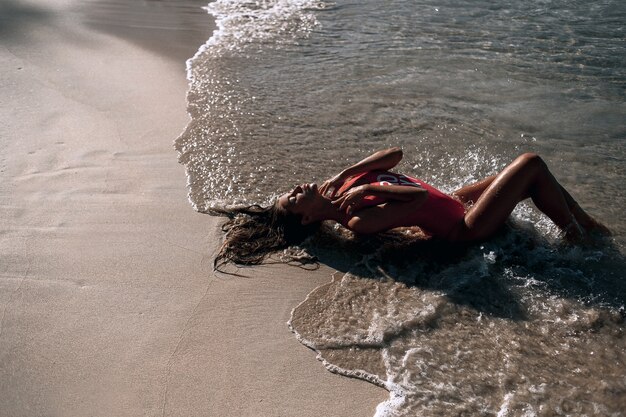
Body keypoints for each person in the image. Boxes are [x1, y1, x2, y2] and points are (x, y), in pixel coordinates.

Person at [214, 147, 609, 269]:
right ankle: (580, 238)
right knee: (531, 166)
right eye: (295, 197)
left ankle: (586, 227)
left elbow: (395, 154)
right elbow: (417, 199)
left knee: (533, 175)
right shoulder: (358, 219)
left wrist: (353, 170)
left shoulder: (343, 185)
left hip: (453, 200)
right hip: (463, 227)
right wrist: (369, 184)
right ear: (308, 217)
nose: (299, 188)